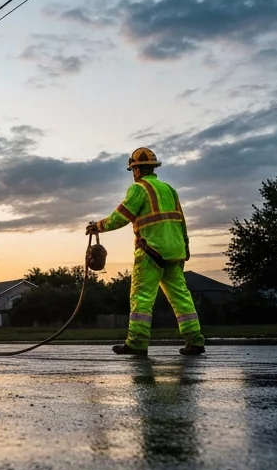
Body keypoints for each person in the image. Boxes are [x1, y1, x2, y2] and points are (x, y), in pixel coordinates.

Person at [87, 148, 205, 357]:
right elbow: (182, 221)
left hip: (150, 252)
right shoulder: (169, 189)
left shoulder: (139, 189)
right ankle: (195, 340)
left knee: (141, 298)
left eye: (133, 170)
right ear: (154, 167)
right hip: (175, 252)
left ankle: (137, 343)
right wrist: (185, 248)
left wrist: (98, 226)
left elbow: (120, 217)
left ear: (136, 170)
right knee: (182, 298)